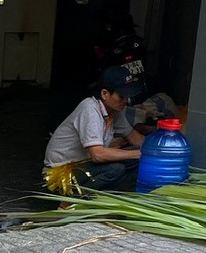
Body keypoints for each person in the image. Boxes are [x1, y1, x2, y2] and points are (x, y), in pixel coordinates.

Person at [43, 65, 145, 194]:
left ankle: (102, 195)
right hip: (63, 173)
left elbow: (133, 137)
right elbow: (98, 155)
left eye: (128, 97)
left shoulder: (115, 109)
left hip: (87, 165)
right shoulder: (90, 109)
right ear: (104, 94)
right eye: (122, 96)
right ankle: (72, 201)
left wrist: (159, 150)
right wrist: (140, 153)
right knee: (115, 169)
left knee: (136, 158)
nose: (127, 101)